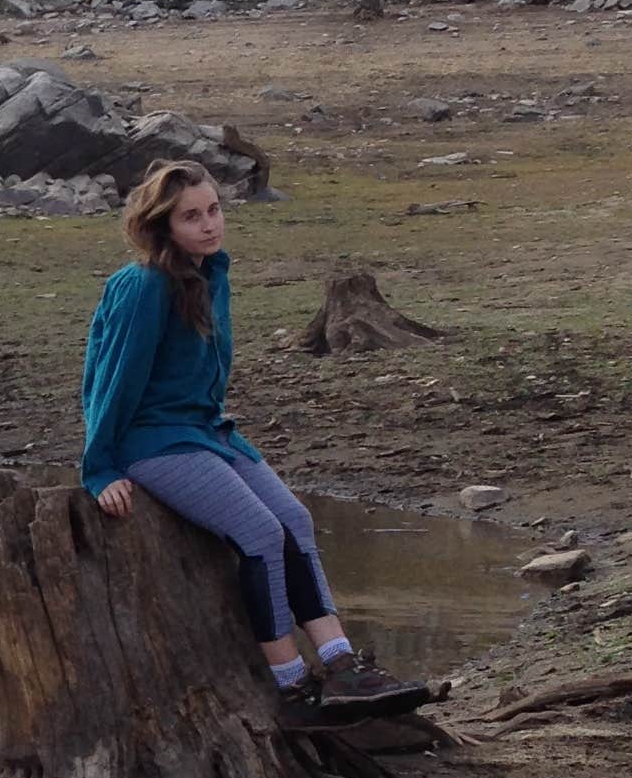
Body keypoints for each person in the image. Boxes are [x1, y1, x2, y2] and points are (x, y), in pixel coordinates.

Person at [80, 159, 427, 715]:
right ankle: (291, 684)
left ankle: (340, 667)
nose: (209, 225)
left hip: (207, 432)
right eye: (191, 217)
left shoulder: (210, 273)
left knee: (295, 520)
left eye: (213, 210)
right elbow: (108, 380)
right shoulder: (142, 285)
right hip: (152, 440)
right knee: (260, 533)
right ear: (162, 224)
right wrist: (99, 468)